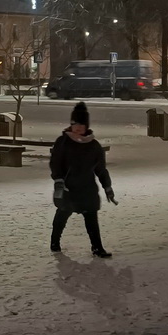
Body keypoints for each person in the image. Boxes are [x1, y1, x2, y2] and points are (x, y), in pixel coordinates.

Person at [50, 100, 116, 258]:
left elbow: (100, 169)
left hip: (87, 188)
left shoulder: (93, 146)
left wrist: (107, 187)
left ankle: (97, 247)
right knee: (62, 214)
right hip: (67, 188)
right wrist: (58, 180)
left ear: (86, 126)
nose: (77, 128)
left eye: (81, 124)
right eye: (75, 124)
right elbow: (55, 163)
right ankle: (54, 242)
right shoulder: (63, 142)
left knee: (91, 217)